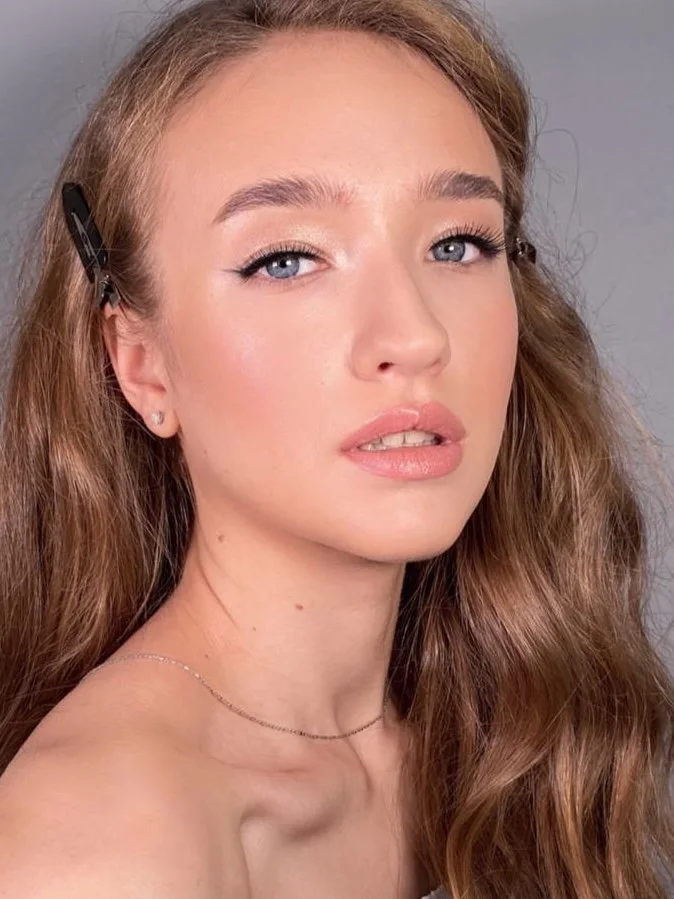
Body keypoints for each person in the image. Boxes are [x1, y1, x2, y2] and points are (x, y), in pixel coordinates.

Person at [0, 0, 672, 896]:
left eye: (458, 243)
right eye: (287, 259)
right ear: (142, 365)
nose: (416, 335)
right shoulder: (105, 842)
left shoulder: (503, 735)